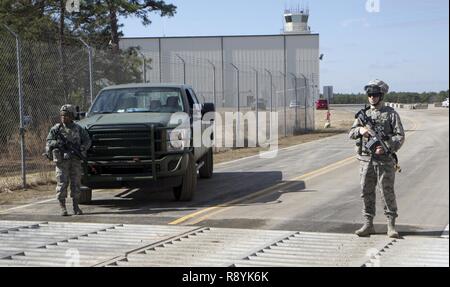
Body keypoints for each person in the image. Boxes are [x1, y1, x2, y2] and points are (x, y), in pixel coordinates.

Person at [349, 79, 405, 238]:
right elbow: (350, 133)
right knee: (366, 191)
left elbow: (400, 136)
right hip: (366, 160)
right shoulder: (363, 115)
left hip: (384, 161)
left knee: (386, 192)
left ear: (381, 96)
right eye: (370, 95)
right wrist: (360, 130)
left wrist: (386, 146)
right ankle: (368, 224)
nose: (372, 97)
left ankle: (391, 225)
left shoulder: (391, 114)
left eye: (375, 95)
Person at [46, 105, 91, 216]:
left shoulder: (78, 128)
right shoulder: (56, 129)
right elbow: (49, 141)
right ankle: (63, 208)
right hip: (62, 161)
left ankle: (76, 207)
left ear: (71, 116)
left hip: (75, 160)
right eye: (62, 115)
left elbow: (87, 141)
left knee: (76, 183)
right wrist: (57, 143)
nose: (63, 117)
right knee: (62, 183)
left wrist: (82, 148)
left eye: (66, 115)